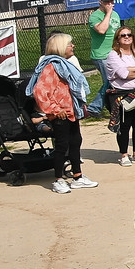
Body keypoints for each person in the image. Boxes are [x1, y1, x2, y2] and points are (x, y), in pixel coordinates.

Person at [29, 32, 97, 195]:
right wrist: (54, 109)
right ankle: (58, 179)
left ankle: (77, 177)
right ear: (60, 47)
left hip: (71, 111)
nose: (73, 46)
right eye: (69, 44)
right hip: (60, 114)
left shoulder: (66, 64)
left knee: (76, 141)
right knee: (62, 146)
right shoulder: (51, 67)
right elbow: (40, 91)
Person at [85, 0, 121, 109]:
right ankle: (94, 107)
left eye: (111, 1)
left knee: (113, 81)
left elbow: (118, 34)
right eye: (107, 2)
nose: (110, 4)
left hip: (114, 53)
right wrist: (108, 13)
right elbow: (102, 30)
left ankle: (109, 105)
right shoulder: (95, 16)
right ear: (101, 3)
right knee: (110, 81)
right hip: (101, 55)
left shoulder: (116, 15)